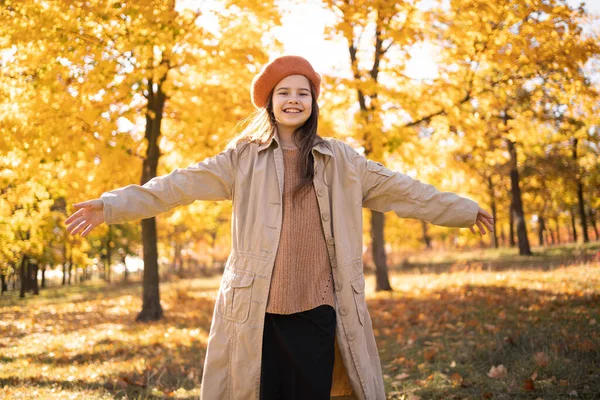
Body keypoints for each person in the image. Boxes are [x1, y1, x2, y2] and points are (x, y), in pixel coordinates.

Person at [65, 55, 494, 400]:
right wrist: (111, 205)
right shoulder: (241, 159)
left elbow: (407, 192)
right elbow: (176, 185)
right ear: (270, 102)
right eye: (283, 92)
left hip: (320, 307)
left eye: (302, 93)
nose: (293, 100)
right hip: (258, 310)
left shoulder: (343, 160)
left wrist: (462, 209)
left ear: (313, 102)